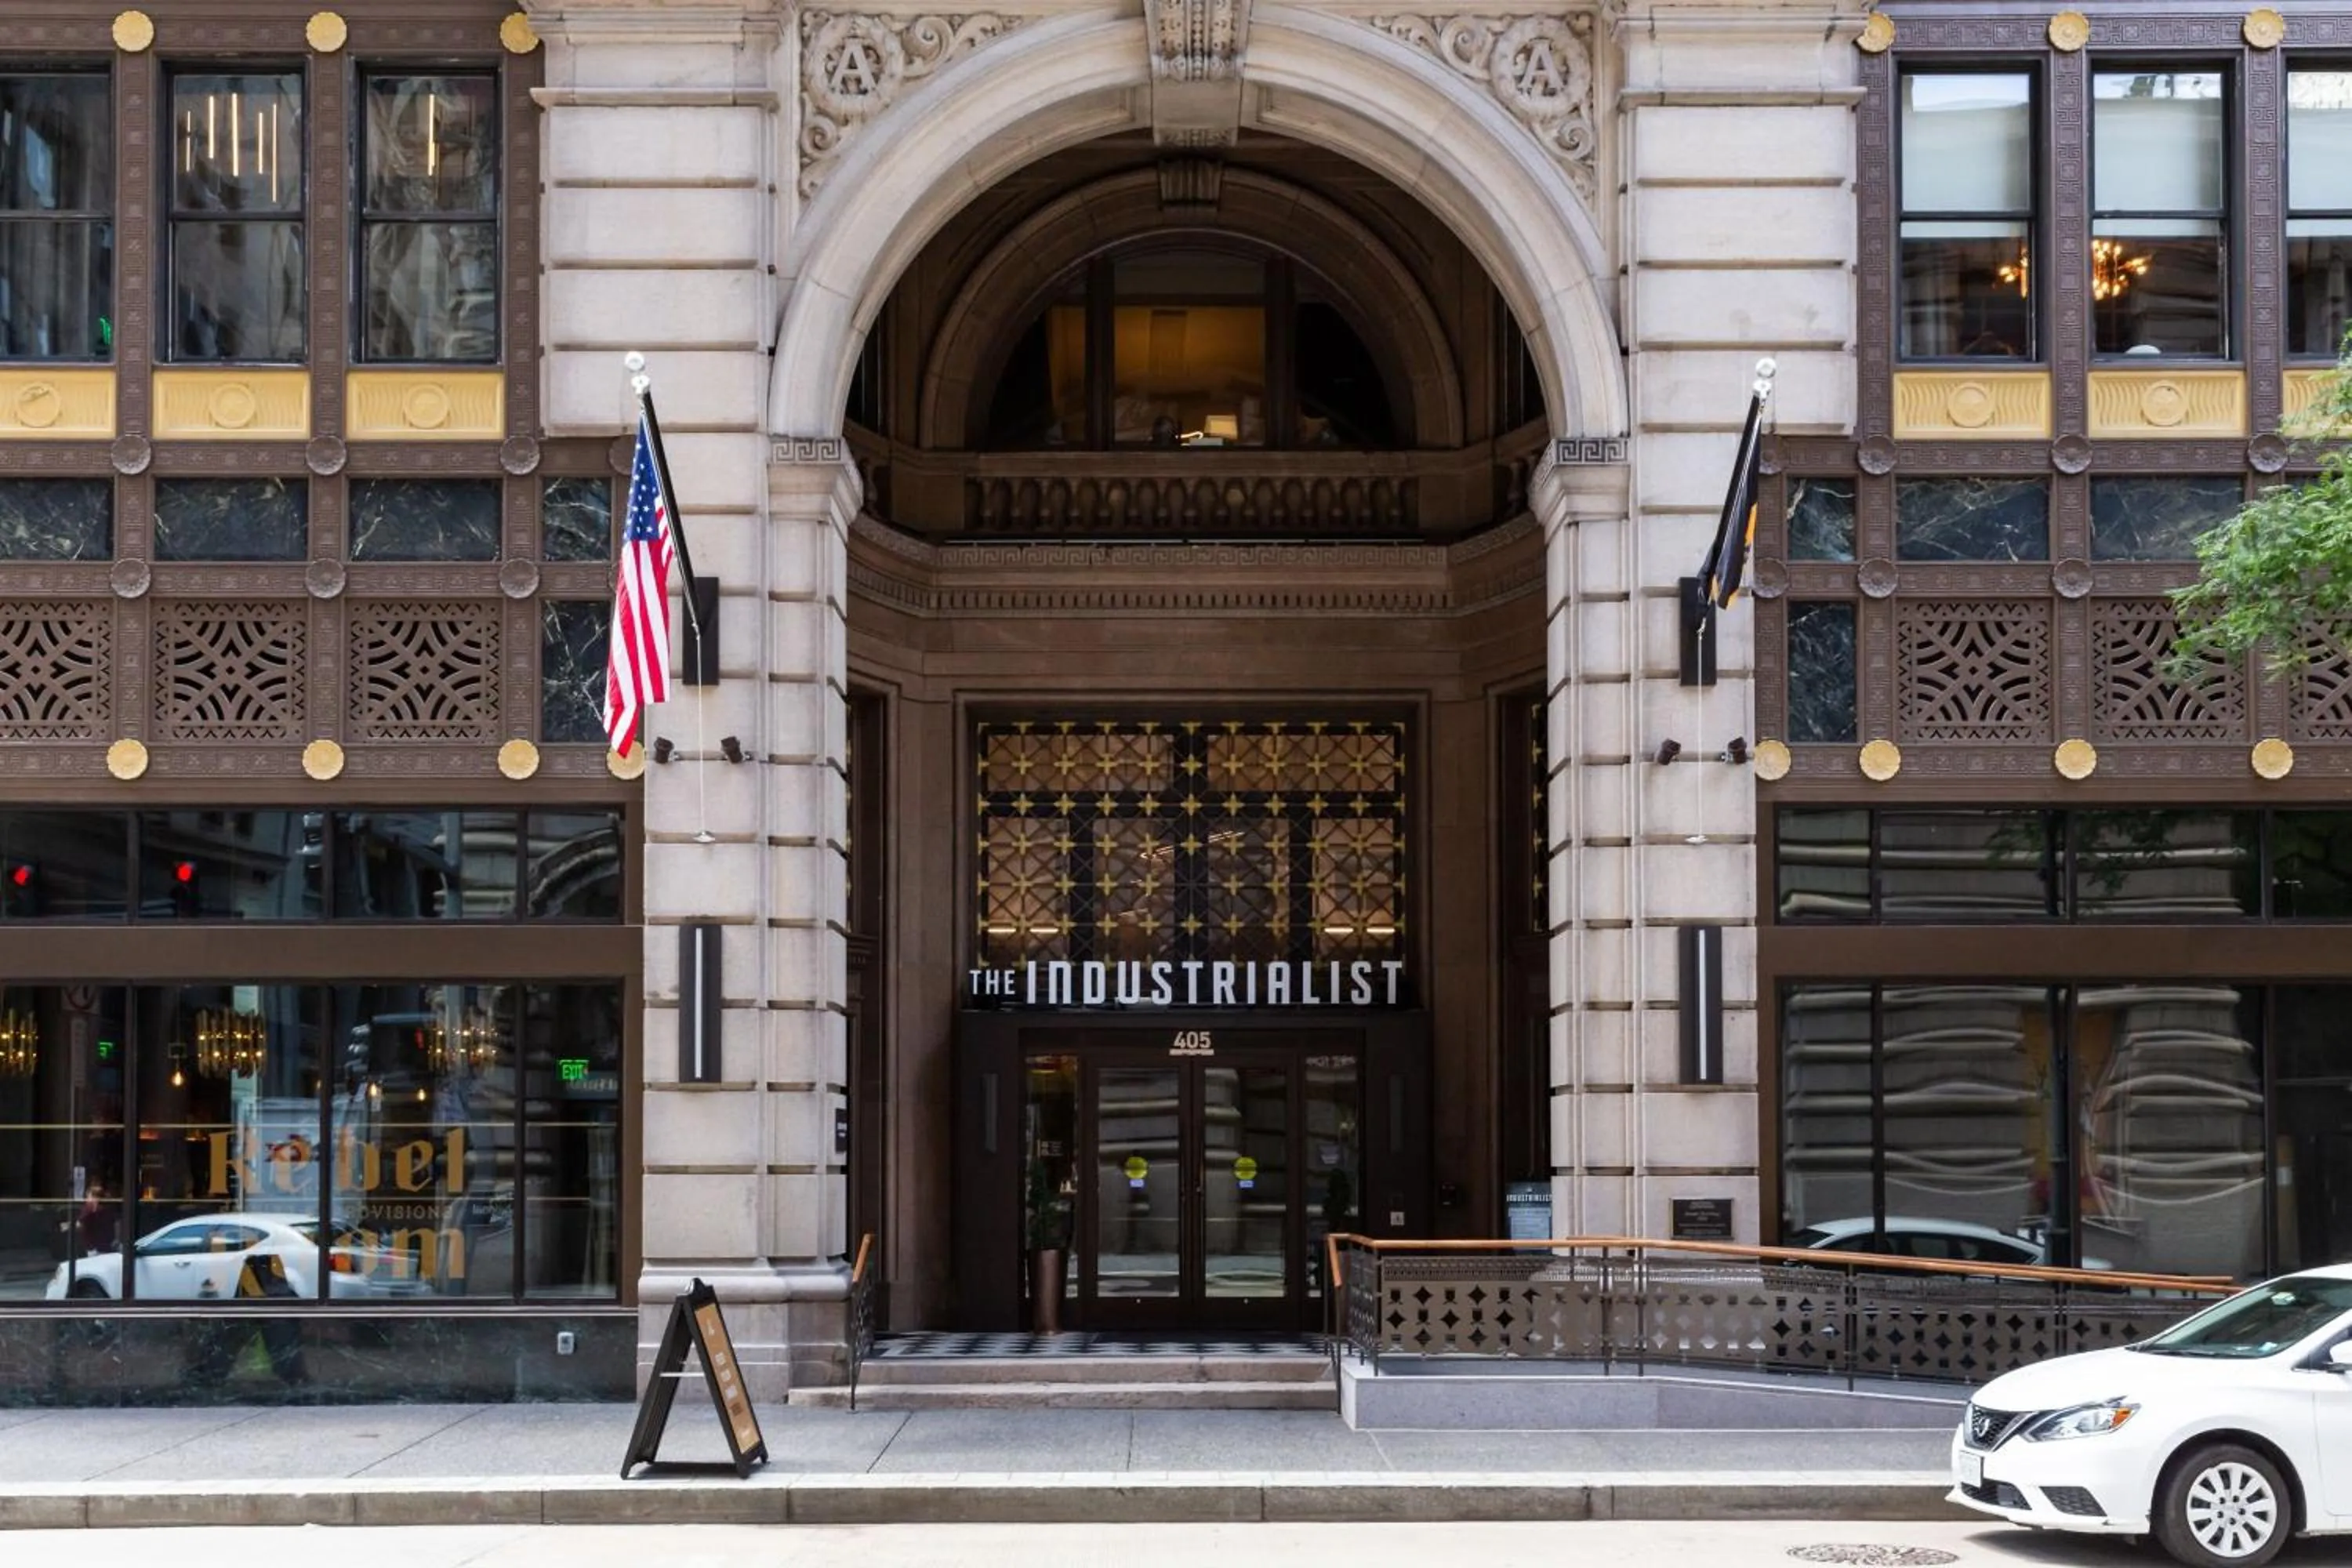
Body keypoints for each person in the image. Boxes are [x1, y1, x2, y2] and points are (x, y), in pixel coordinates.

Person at [75, 1180, 116, 1257]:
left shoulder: (90, 1208)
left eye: (88, 1196)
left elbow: (81, 1224)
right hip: (105, 1245)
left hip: (93, 1246)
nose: (87, 1198)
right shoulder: (107, 1209)